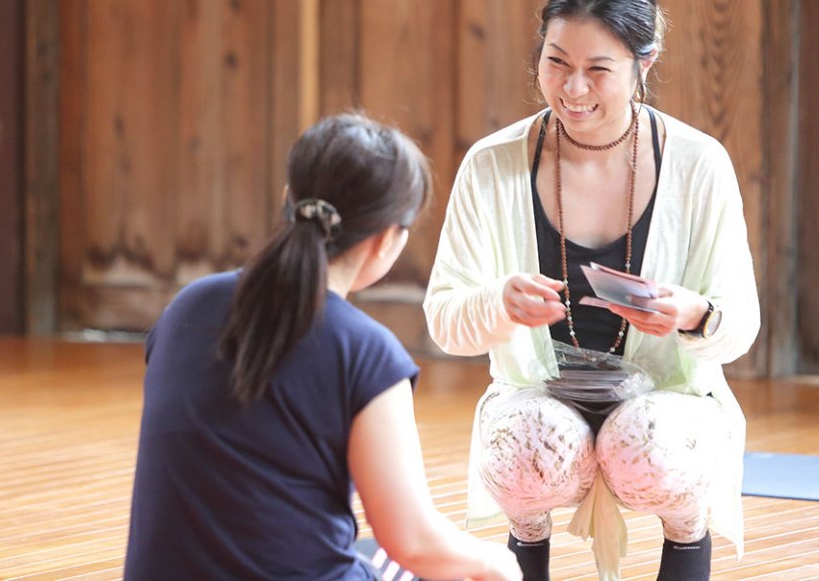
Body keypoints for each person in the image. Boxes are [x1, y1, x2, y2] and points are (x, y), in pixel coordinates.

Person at [423, 0, 760, 581]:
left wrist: (692, 314)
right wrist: (498, 303)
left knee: (650, 444)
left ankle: (686, 539)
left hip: (666, 401)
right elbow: (444, 319)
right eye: (556, 63)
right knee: (527, 443)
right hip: (539, 397)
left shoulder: (699, 164)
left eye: (598, 70)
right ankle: (526, 546)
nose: (573, 90)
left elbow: (739, 325)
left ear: (644, 64)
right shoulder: (491, 164)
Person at [124, 113, 522, 581]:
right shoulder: (367, 352)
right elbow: (413, 540)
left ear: (287, 202)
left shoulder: (186, 306)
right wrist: (499, 564)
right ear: (387, 241)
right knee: (457, 564)